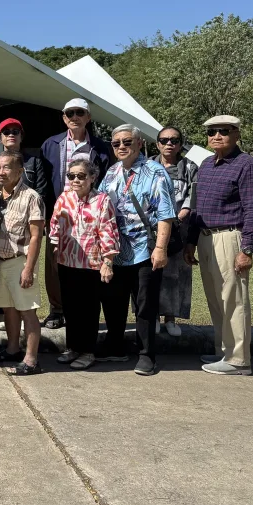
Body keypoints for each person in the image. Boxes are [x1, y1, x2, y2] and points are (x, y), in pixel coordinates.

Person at [186, 115, 253, 376]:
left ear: (237, 134)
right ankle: (224, 350)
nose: (216, 136)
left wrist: (247, 248)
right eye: (211, 132)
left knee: (233, 299)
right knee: (216, 298)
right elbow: (197, 207)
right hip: (205, 237)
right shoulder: (207, 164)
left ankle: (238, 359)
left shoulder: (246, 165)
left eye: (223, 131)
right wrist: (191, 241)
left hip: (230, 236)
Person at [96, 125, 176, 376]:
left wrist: (160, 248)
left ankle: (146, 354)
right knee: (113, 301)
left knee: (145, 305)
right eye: (116, 143)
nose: (121, 146)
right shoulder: (112, 172)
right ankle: (115, 346)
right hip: (116, 251)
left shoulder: (155, 172)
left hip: (145, 249)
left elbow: (165, 214)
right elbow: (100, 206)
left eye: (127, 141)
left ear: (140, 143)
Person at [39, 98, 113, 331]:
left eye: (79, 112)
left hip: (91, 213)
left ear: (88, 117)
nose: (74, 117)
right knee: (54, 262)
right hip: (60, 213)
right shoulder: (51, 144)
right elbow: (44, 180)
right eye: (69, 113)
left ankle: (84, 313)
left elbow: (105, 179)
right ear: (64, 118)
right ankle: (57, 309)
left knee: (89, 263)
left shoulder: (100, 147)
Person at [48, 156, 120, 370]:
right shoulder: (64, 198)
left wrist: (108, 261)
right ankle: (73, 347)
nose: (76, 180)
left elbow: (108, 231)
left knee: (88, 310)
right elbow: (55, 226)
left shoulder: (102, 200)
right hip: (66, 261)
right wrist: (55, 250)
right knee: (70, 308)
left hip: (91, 263)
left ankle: (88, 352)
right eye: (71, 176)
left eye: (81, 176)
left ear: (92, 177)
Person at [0, 152, 46, 375]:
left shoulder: (31, 197)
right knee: (8, 308)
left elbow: (36, 236)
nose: (1, 172)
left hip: (20, 260)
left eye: (7, 167)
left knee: (27, 311)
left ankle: (31, 360)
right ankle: (12, 349)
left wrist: (29, 269)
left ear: (20, 171)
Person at [152, 126, 198, 337]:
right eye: (164, 140)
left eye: (174, 140)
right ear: (157, 144)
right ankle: (152, 316)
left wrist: (179, 216)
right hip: (151, 228)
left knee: (175, 275)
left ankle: (170, 318)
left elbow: (193, 196)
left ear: (180, 144)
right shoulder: (147, 166)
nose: (169, 144)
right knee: (151, 274)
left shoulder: (190, 167)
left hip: (180, 228)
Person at [0, 118, 50, 197]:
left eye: (15, 132)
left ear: (21, 137)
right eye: (6, 132)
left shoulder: (34, 162)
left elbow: (41, 191)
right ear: (0, 139)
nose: (11, 135)